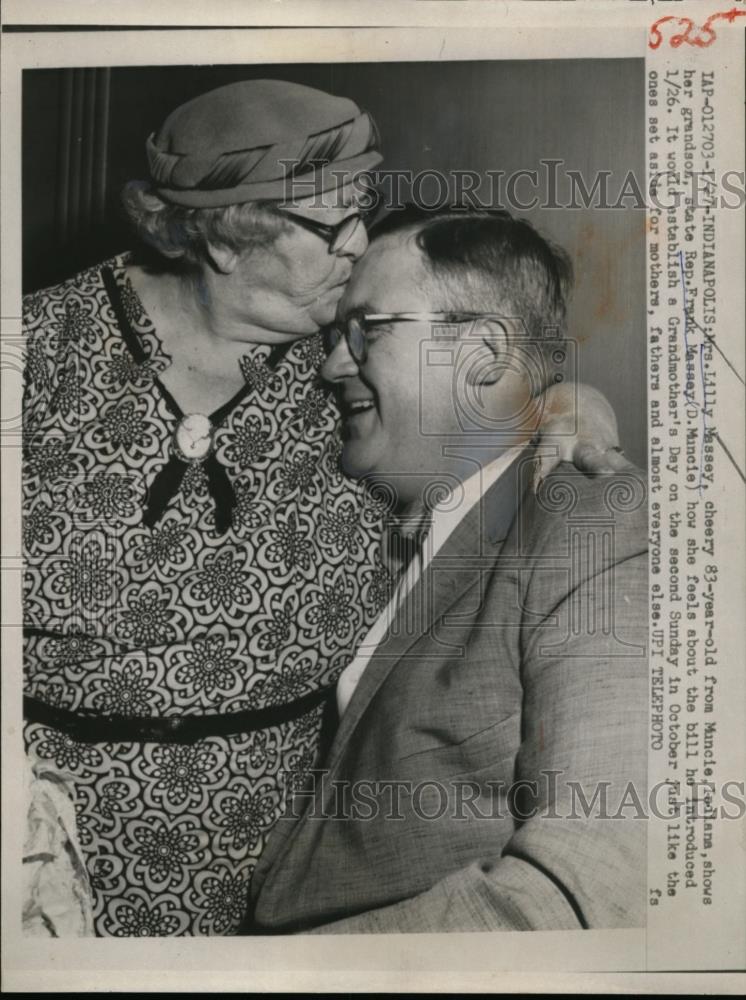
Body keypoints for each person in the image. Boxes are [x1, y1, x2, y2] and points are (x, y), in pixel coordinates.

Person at [22, 79, 623, 936]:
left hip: (287, 872)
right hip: (43, 847)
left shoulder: (344, 360)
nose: (358, 245)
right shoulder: (36, 353)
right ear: (224, 235)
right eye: (330, 225)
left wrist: (570, 406)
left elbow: (486, 386)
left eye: (362, 213)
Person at [249, 209, 648, 933]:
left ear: (483, 352)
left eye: (367, 330)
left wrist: (277, 975)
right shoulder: (381, 510)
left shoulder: (594, 527)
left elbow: (596, 880)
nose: (330, 365)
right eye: (334, 335)